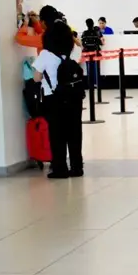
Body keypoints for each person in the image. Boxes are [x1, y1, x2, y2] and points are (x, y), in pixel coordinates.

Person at [32, 22, 84, 179]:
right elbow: (79, 46)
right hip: (74, 97)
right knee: (75, 132)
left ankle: (60, 168)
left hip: (53, 98)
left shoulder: (45, 55)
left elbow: (36, 77)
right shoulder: (73, 52)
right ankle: (77, 167)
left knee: (57, 134)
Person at [80, 18, 103, 89]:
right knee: (96, 68)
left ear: (86, 25)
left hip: (87, 53)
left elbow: (83, 43)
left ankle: (90, 84)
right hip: (96, 52)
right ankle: (96, 83)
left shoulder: (84, 33)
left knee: (89, 68)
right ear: (93, 24)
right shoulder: (96, 32)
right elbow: (100, 43)